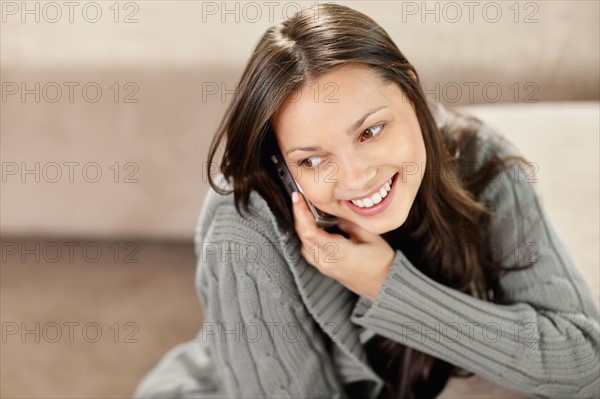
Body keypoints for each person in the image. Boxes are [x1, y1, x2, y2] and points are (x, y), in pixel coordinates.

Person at [133, 3, 599, 399]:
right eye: (312, 161)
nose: (355, 178)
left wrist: (383, 282)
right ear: (283, 166)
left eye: (371, 131)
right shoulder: (245, 224)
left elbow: (584, 362)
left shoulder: (479, 159)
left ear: (412, 89)